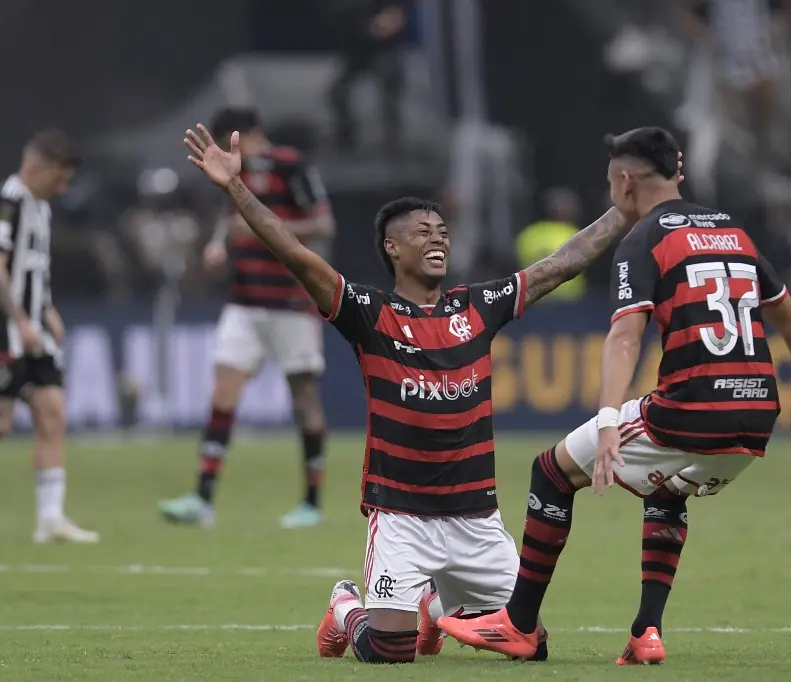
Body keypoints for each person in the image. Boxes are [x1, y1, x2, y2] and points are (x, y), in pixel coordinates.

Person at [182, 123, 648, 664]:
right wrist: (236, 188)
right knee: (389, 650)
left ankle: (434, 605)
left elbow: (562, 264)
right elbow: (295, 254)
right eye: (423, 232)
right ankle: (344, 606)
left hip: (476, 519)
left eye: (443, 232)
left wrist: (624, 213)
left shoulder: (478, 306)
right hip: (402, 517)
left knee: (532, 647)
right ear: (393, 247)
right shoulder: (369, 313)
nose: (438, 240)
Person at [437, 127, 791, 664]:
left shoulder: (644, 240)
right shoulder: (733, 233)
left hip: (691, 410)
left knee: (551, 472)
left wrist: (608, 420)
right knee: (667, 491)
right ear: (677, 172)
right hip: (756, 416)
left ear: (625, 181)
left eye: (611, 182)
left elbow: (625, 336)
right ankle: (646, 633)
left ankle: (518, 626)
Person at [159, 107, 336, 529]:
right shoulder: (233, 170)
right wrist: (219, 243)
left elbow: (324, 225)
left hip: (291, 301)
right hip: (244, 301)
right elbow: (232, 218)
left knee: (304, 400)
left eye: (232, 140)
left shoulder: (291, 166)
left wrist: (266, 227)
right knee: (223, 392)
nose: (229, 148)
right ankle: (203, 499)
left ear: (253, 133)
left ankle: (311, 502)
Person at [0, 130, 98, 543]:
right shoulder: (9, 203)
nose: (63, 189)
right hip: (8, 330)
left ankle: (50, 519)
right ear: (37, 168)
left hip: (33, 329)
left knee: (52, 413)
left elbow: (32, 269)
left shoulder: (40, 207)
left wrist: (46, 310)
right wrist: (19, 319)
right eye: (59, 179)